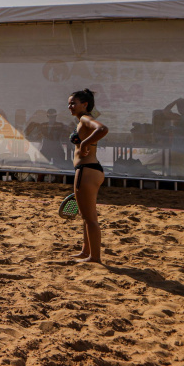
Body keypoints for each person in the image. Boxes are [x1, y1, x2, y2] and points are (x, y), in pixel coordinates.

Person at [68, 88, 109, 263]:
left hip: (87, 170)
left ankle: (95, 257)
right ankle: (86, 252)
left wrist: (84, 142)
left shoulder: (85, 118)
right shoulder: (82, 120)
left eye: (73, 103)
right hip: (91, 170)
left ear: (84, 104)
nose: (69, 106)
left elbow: (103, 129)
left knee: (90, 218)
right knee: (87, 216)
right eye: (69, 103)